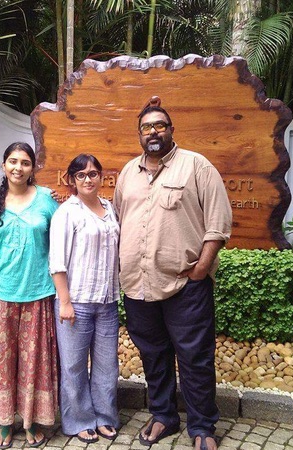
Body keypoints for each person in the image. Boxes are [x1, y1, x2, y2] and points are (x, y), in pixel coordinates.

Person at [113, 97, 232, 450]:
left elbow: (218, 225)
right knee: (153, 354)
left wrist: (200, 270)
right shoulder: (127, 173)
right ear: (139, 134)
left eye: (159, 126)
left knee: (195, 357)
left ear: (170, 130)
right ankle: (163, 415)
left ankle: (202, 427)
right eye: (147, 127)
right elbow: (120, 220)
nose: (153, 132)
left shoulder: (196, 166)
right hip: (138, 286)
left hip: (185, 285)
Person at [0, 142, 59, 449]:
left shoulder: (47, 200)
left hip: (37, 292)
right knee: (2, 361)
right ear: (4, 166)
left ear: (32, 168)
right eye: (12, 161)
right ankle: (4, 423)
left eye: (24, 162)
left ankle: (31, 420)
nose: (18, 168)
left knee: (33, 361)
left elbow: (61, 239)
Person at [49, 154, 121, 443]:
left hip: (107, 301)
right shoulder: (67, 212)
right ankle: (79, 419)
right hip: (75, 302)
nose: (88, 179)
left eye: (93, 173)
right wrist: (64, 302)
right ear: (72, 180)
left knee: (107, 364)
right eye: (81, 175)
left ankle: (104, 416)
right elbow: (57, 261)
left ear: (101, 177)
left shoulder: (110, 208)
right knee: (74, 365)